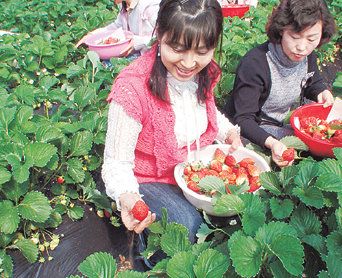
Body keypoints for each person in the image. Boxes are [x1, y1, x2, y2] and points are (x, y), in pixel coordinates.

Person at [101, 0, 242, 252]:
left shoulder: (204, 72)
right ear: (159, 34)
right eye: (177, 48)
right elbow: (116, 163)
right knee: (187, 225)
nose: (189, 63)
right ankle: (150, 253)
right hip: (151, 178)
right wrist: (128, 197)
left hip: (193, 169)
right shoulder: (132, 90)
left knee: (241, 204)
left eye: (201, 51)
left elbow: (208, 112)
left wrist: (229, 133)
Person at [223, 0, 336, 167]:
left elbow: (313, 81)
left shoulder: (308, 56)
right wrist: (273, 143)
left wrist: (322, 91)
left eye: (311, 39)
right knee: (309, 153)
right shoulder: (256, 64)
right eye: (295, 37)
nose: (302, 47)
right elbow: (243, 119)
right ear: (281, 30)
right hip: (247, 131)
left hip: (276, 125)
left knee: (326, 144)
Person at [75, 0, 161, 57]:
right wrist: (93, 35)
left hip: (155, 58)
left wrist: (140, 42)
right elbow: (116, 26)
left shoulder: (151, 8)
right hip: (137, 55)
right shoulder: (126, 7)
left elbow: (165, 36)